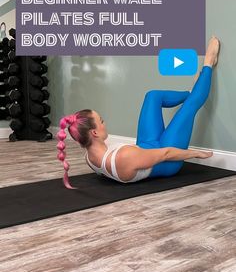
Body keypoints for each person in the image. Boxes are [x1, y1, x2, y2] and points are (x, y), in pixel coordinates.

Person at [57, 36, 220, 189]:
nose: (104, 123)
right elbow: (166, 153)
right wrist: (196, 153)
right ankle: (209, 63)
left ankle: (191, 92)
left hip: (146, 147)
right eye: (102, 120)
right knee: (189, 108)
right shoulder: (123, 157)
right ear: (94, 132)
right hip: (167, 161)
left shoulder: (89, 158)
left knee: (152, 96)